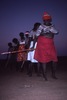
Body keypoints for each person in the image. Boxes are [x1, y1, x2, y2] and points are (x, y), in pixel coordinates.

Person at [34, 12, 59, 81]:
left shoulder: (52, 26)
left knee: (54, 60)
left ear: (50, 20)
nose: (47, 21)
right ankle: (45, 76)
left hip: (51, 45)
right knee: (43, 61)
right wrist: (45, 34)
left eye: (48, 19)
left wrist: (48, 32)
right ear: (43, 20)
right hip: (42, 45)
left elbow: (56, 32)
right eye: (45, 20)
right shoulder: (41, 26)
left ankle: (53, 74)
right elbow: (37, 34)